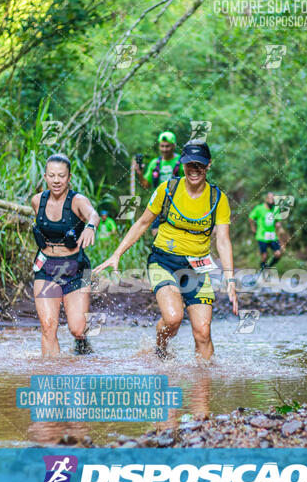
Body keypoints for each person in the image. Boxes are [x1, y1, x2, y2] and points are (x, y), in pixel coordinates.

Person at [95, 141, 238, 360]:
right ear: (182, 165)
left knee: (203, 332)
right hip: (164, 262)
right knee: (173, 318)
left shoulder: (218, 199)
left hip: (197, 268)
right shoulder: (167, 189)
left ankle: (205, 383)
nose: (194, 170)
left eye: (199, 164)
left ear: (208, 165)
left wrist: (230, 278)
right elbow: (143, 223)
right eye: (189, 164)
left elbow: (223, 241)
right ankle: (160, 347)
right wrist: (117, 253)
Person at [31, 153, 99, 357]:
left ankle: (83, 340)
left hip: (77, 268)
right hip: (46, 267)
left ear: (69, 177)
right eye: (52, 175)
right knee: (48, 327)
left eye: (61, 175)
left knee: (77, 329)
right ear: (45, 176)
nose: (56, 180)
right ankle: (51, 380)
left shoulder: (78, 201)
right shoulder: (37, 201)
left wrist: (90, 227)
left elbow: (93, 214)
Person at [134, 131, 185, 235]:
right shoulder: (155, 163)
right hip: (159, 204)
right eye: (162, 146)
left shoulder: (182, 161)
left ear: (174, 146)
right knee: (155, 232)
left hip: (178, 204)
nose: (164, 149)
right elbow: (146, 184)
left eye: (167, 146)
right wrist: (140, 173)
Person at [249, 192, 285, 271]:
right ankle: (262, 269)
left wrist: (279, 226)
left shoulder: (275, 209)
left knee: (278, 253)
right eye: (270, 198)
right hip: (262, 235)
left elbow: (278, 221)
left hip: (272, 236)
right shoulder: (259, 208)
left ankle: (268, 266)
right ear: (266, 199)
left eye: (273, 199)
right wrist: (253, 228)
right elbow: (251, 218)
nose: (271, 200)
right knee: (264, 256)